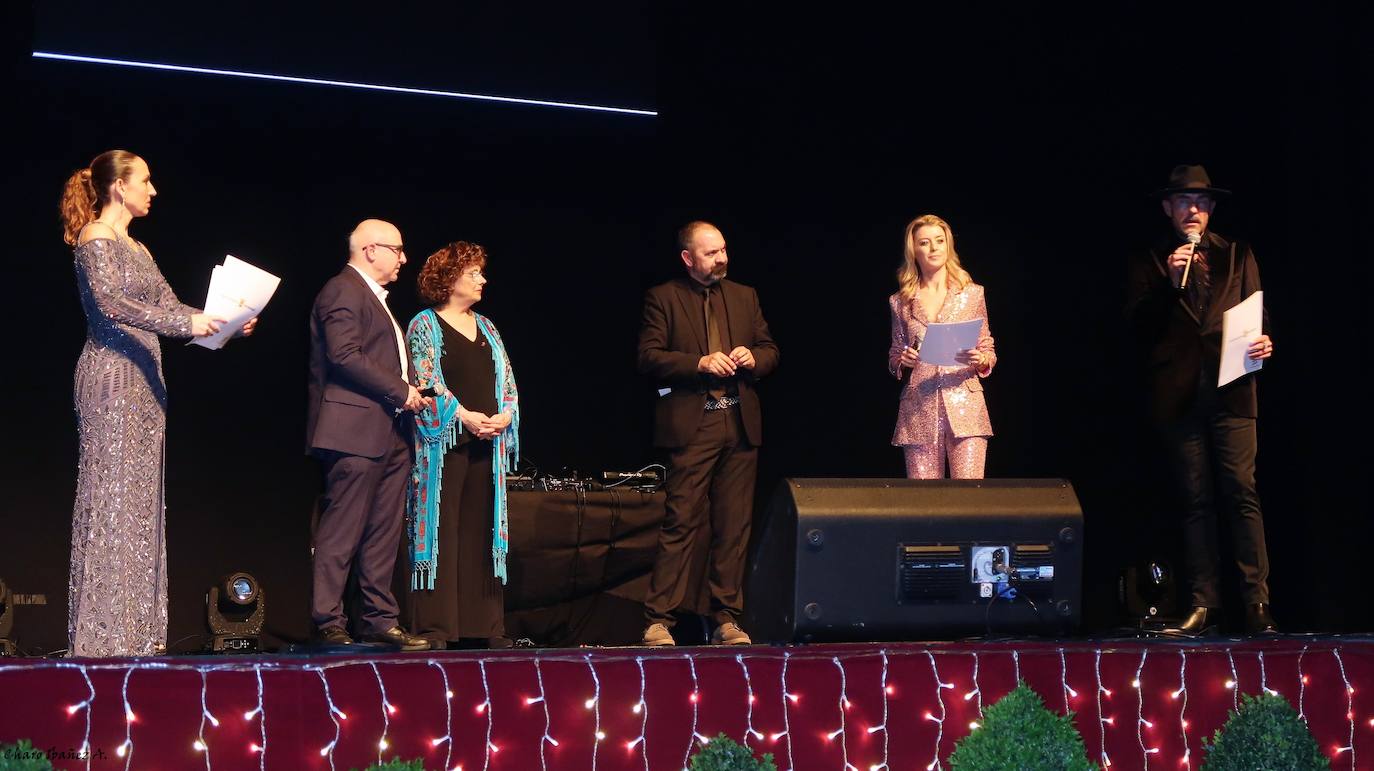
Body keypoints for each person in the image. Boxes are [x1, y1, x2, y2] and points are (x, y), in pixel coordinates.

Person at [61, 150, 256, 657]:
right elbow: (110, 303)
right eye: (145, 181)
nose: (154, 190)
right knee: (112, 500)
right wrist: (185, 324)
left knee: (141, 506)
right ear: (119, 187)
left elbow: (168, 308)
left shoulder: (139, 248)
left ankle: (137, 636)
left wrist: (225, 321)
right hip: (112, 378)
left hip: (147, 384)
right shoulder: (96, 237)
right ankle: (103, 638)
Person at [1126, 165, 1277, 635]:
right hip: (1180, 394)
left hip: (1233, 390)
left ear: (1211, 210)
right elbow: (1137, 328)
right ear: (1168, 208)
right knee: (1195, 500)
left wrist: (1264, 344)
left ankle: (1256, 603)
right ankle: (1204, 604)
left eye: (1203, 202)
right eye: (1185, 202)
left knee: (1242, 493)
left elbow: (1258, 314)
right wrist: (1171, 284)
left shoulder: (1237, 254)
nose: (1195, 210)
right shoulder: (1150, 260)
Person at [637, 221, 779, 646]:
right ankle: (658, 620)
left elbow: (771, 350)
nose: (721, 258)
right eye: (710, 253)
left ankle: (726, 619)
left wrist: (753, 357)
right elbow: (649, 357)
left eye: (722, 250)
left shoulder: (744, 295)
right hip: (693, 425)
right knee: (681, 522)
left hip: (738, 423)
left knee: (733, 528)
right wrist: (699, 363)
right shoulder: (663, 297)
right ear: (688, 258)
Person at [306, 218, 431, 650]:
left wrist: (413, 393)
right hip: (353, 431)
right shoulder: (342, 290)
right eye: (397, 250)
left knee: (382, 531)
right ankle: (328, 620)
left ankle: (379, 620)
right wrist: (402, 390)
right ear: (370, 250)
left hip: (391, 429)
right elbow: (344, 356)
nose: (403, 258)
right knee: (342, 530)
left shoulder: (376, 300)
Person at [405, 241, 520, 650]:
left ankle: (484, 626)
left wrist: (505, 416)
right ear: (450, 278)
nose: (482, 279)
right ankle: (437, 627)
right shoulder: (425, 324)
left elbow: (506, 379)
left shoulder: (487, 326)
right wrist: (465, 416)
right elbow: (428, 380)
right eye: (474, 273)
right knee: (442, 529)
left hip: (487, 442)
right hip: (444, 444)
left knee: (482, 530)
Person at [887, 214, 996, 478]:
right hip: (919, 408)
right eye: (925, 242)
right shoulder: (901, 301)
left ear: (948, 246)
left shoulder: (972, 294)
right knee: (925, 504)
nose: (934, 248)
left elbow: (988, 348)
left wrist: (980, 358)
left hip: (965, 404)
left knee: (969, 499)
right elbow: (894, 354)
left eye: (939, 241)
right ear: (914, 250)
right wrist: (903, 359)